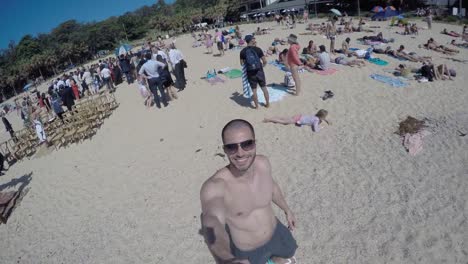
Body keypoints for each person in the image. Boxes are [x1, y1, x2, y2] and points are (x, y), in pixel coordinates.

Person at [200, 119, 298, 264]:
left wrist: (287, 209)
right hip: (248, 251)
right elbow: (212, 223)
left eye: (247, 144)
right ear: (225, 150)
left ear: (255, 143)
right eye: (232, 147)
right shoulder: (215, 186)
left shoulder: (263, 164)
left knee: (285, 256)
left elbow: (272, 187)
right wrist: (227, 259)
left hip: (276, 232)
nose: (240, 153)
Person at [240, 35, 270, 109]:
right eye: (253, 38)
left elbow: (241, 64)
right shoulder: (258, 49)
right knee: (264, 89)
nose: (254, 39)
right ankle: (267, 104)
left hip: (250, 73)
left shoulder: (243, 51)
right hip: (259, 71)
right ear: (251, 40)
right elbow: (265, 61)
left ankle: (256, 106)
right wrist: (261, 66)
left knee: (254, 91)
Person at [263, 109, 330, 132]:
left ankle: (272, 118)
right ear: (321, 117)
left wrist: (326, 121)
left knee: (283, 118)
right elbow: (315, 130)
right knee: (284, 122)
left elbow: (321, 117)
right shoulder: (316, 120)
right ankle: (269, 119)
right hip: (297, 119)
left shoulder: (316, 115)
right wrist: (321, 127)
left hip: (299, 116)